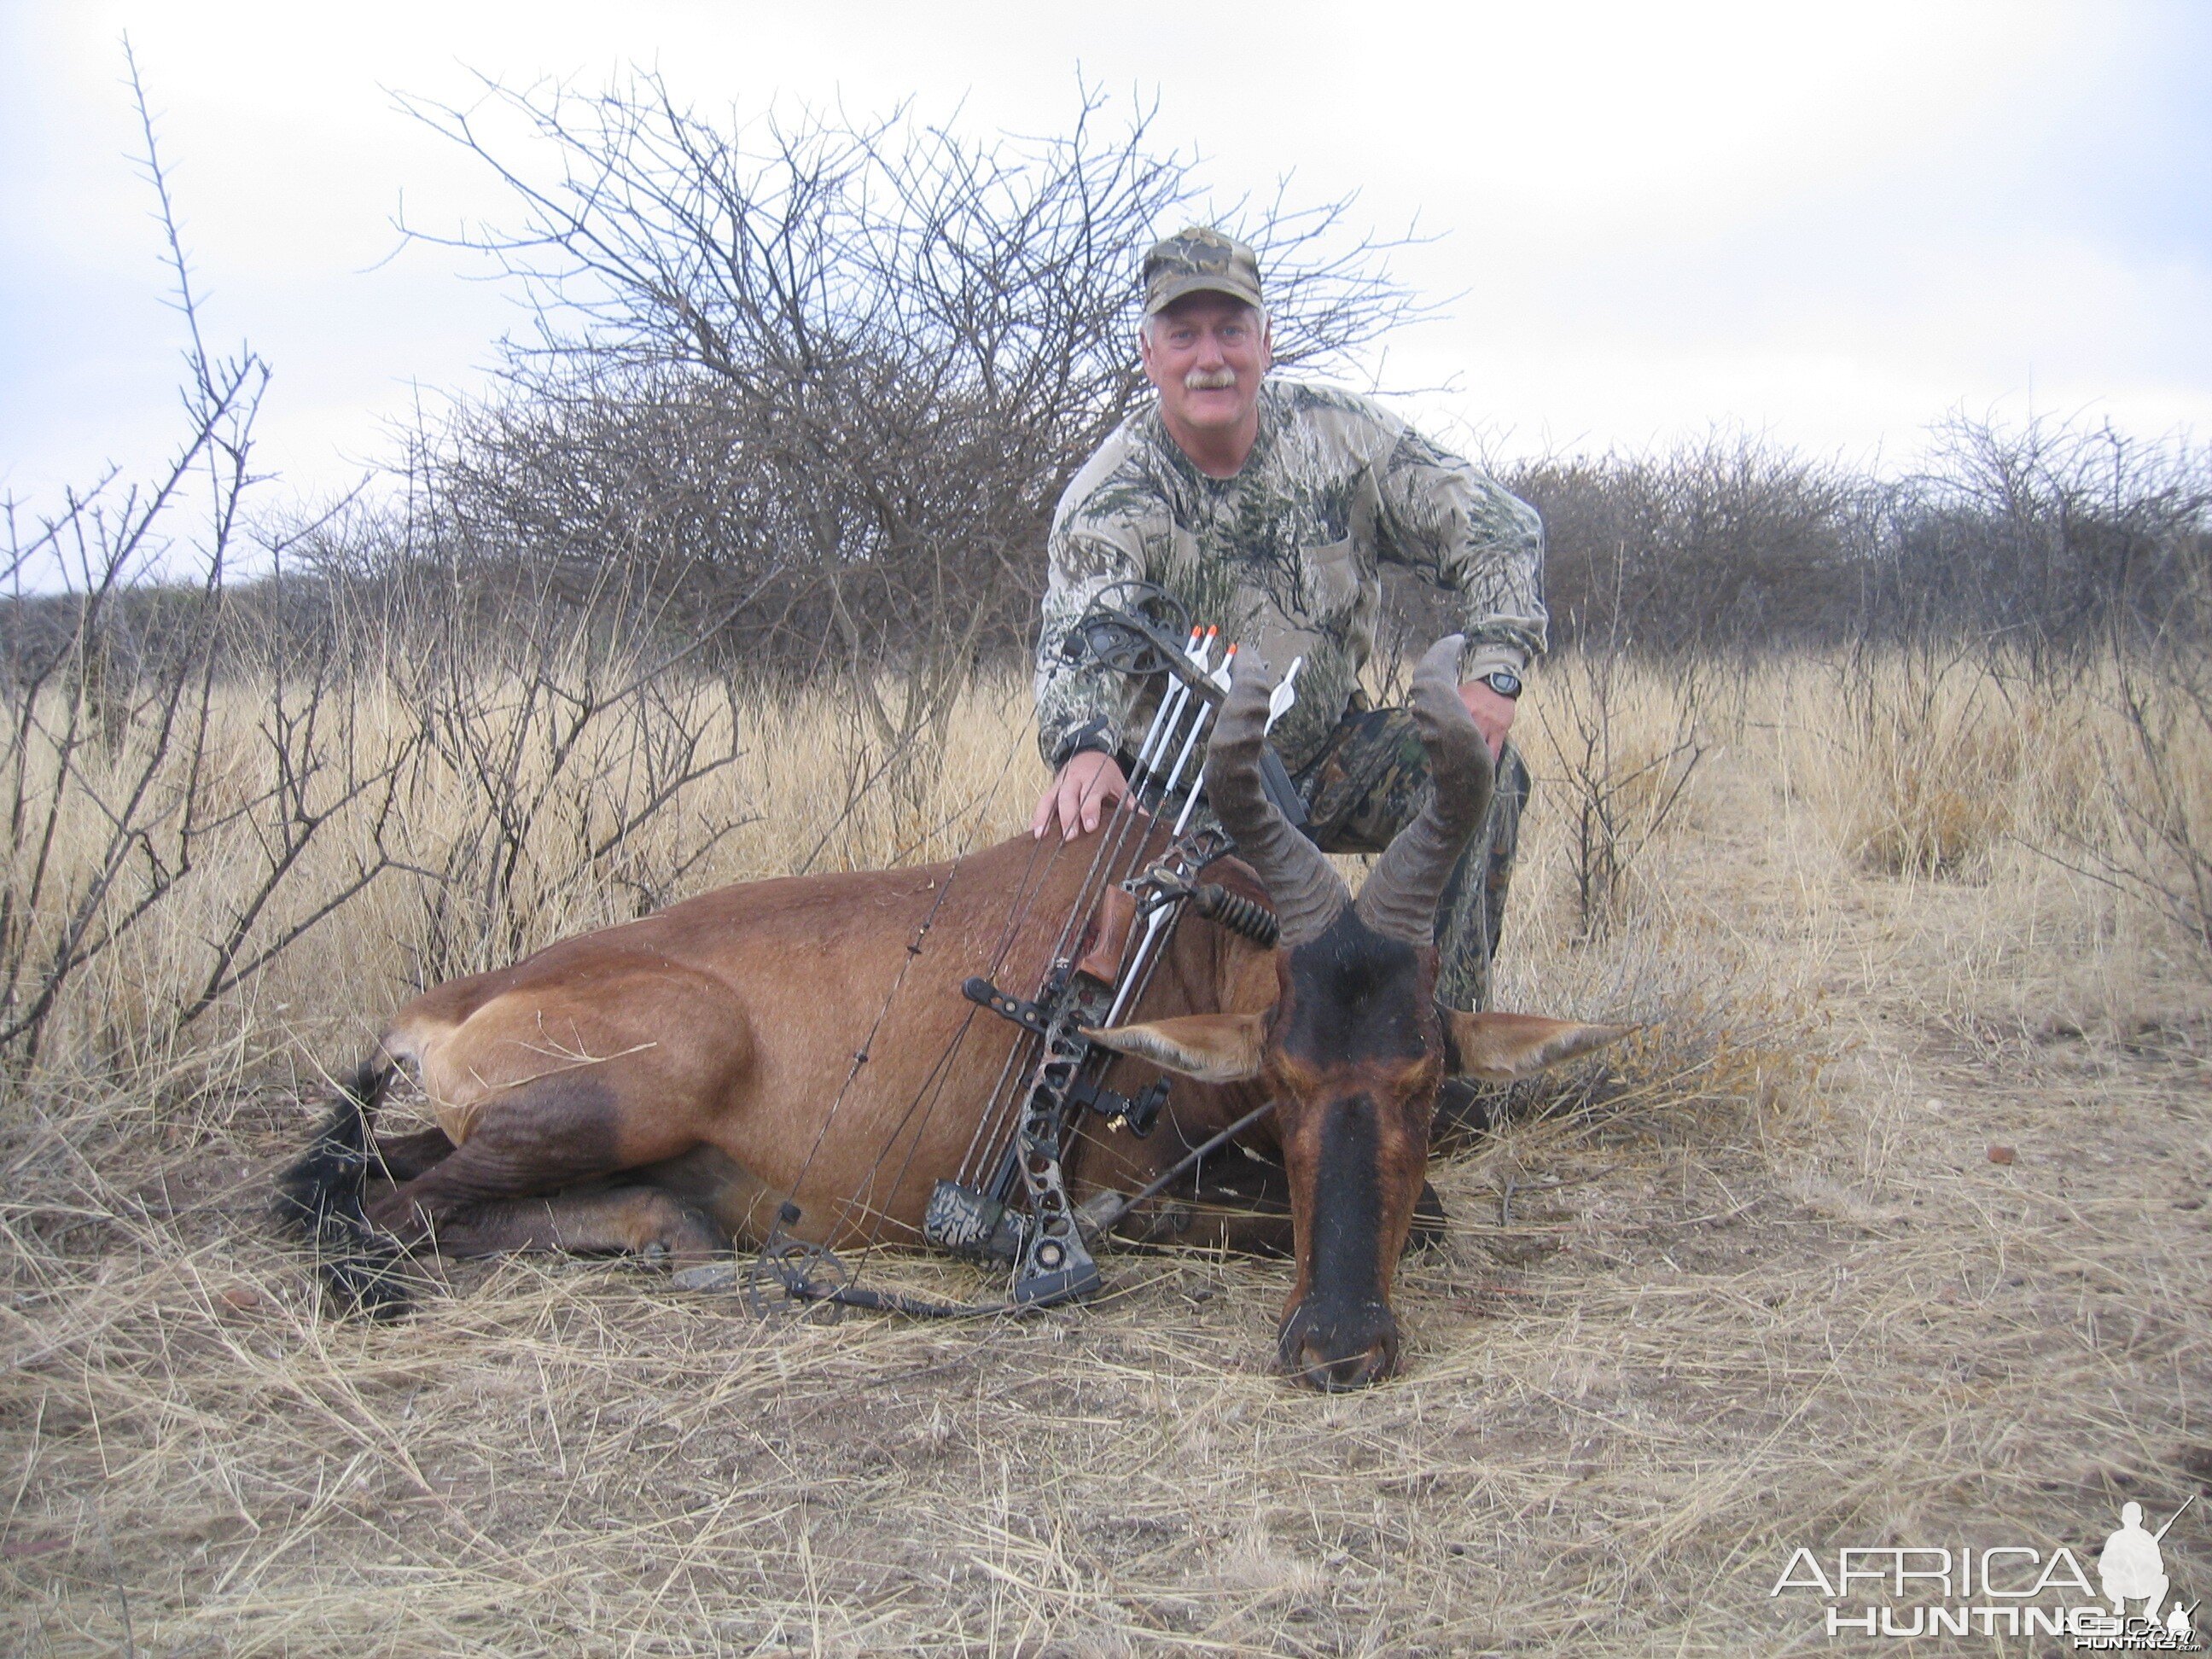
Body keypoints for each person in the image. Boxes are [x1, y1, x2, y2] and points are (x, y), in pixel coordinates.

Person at [1031, 227, 1545, 1015]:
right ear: (1148, 353)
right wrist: (1085, 749)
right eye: (1184, 334)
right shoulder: (1108, 494)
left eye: (1231, 330)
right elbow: (1077, 647)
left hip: (1327, 755)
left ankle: (1435, 1038)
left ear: (1266, 342)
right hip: (1180, 795)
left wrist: (1495, 670)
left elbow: (1500, 527)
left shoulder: (1341, 437)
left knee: (1482, 774)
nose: (1211, 358)